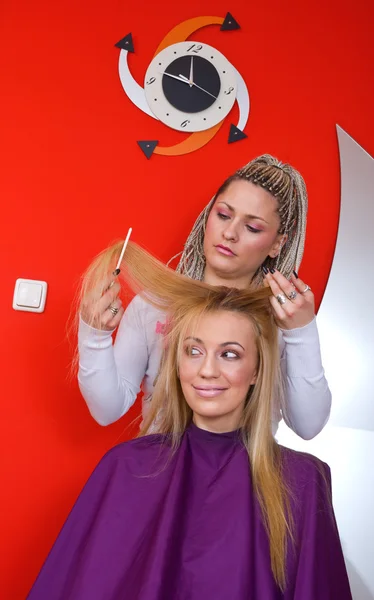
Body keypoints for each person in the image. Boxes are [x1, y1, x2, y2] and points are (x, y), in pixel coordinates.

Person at [28, 242, 351, 599]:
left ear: (257, 370)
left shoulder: (302, 482)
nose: (207, 371)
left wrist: (302, 331)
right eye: (193, 351)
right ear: (176, 362)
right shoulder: (125, 469)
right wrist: (94, 335)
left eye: (229, 354)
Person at [77, 154, 331, 438]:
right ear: (207, 216)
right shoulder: (154, 306)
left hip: (244, 480)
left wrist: (302, 333)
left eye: (253, 227)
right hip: (160, 476)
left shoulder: (284, 320)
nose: (230, 233)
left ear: (277, 244)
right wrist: (94, 335)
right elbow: (107, 410)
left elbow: (309, 426)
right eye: (223, 215)